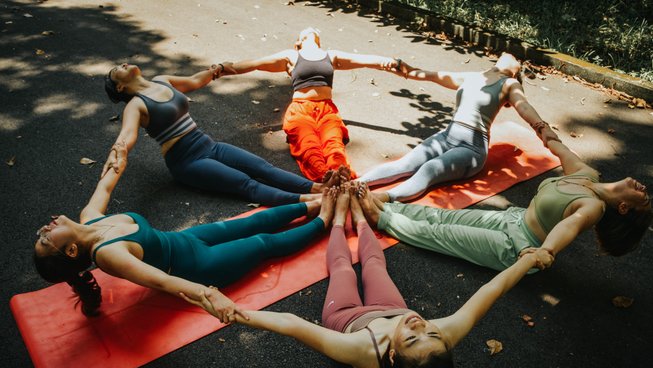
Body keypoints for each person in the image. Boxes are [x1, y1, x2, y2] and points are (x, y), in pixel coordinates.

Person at [184, 183, 554, 368]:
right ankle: (361, 220)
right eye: (432, 333)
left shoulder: (361, 352)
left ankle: (337, 220)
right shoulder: (440, 337)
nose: (421, 326)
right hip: (387, 310)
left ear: (392, 356)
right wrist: (526, 260)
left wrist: (236, 312)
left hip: (347, 319)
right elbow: (490, 291)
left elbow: (293, 325)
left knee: (344, 268)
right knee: (376, 263)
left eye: (413, 337)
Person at [33, 143, 337, 320]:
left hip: (187, 239)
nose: (44, 229)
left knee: (252, 222)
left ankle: (316, 202)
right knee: (262, 243)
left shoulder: (89, 218)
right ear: (71, 251)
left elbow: (106, 183)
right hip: (198, 266)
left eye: (41, 235)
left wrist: (119, 155)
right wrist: (208, 295)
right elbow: (164, 282)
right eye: (46, 239)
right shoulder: (109, 255)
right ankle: (324, 219)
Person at [356, 138, 652, 271]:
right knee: (443, 218)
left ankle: (381, 218)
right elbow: (555, 142)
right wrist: (535, 120)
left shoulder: (594, 208)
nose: (645, 189)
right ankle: (387, 207)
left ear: (625, 208)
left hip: (519, 248)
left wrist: (547, 251)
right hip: (513, 218)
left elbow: (571, 225)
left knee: (441, 236)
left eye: (645, 199)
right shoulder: (587, 175)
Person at [103, 62, 323, 206]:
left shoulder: (162, 80)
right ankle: (311, 201)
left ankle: (319, 188)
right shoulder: (134, 106)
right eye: (116, 71)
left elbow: (194, 81)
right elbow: (127, 135)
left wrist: (216, 69)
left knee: (263, 167)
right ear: (120, 87)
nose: (122, 64)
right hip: (186, 161)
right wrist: (118, 152)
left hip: (209, 145)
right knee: (246, 184)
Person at [358, 52, 559, 202]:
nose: (510, 54)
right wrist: (409, 71)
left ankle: (384, 198)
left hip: (471, 149)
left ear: (516, 70)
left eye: (516, 58)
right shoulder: (475, 76)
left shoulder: (510, 85)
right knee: (405, 164)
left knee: (429, 169)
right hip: (447, 136)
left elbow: (524, 107)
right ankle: (354, 185)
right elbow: (436, 75)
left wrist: (542, 128)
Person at [220, 27, 400, 182]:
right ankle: (326, 180)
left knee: (334, 147)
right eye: (306, 32)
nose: (310, 29)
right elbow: (256, 64)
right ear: (299, 41)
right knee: (309, 148)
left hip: (327, 110)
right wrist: (224, 68)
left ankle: (341, 177)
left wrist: (387, 62)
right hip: (301, 110)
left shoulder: (331, 55)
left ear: (318, 40)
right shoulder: (291, 55)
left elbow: (364, 60)